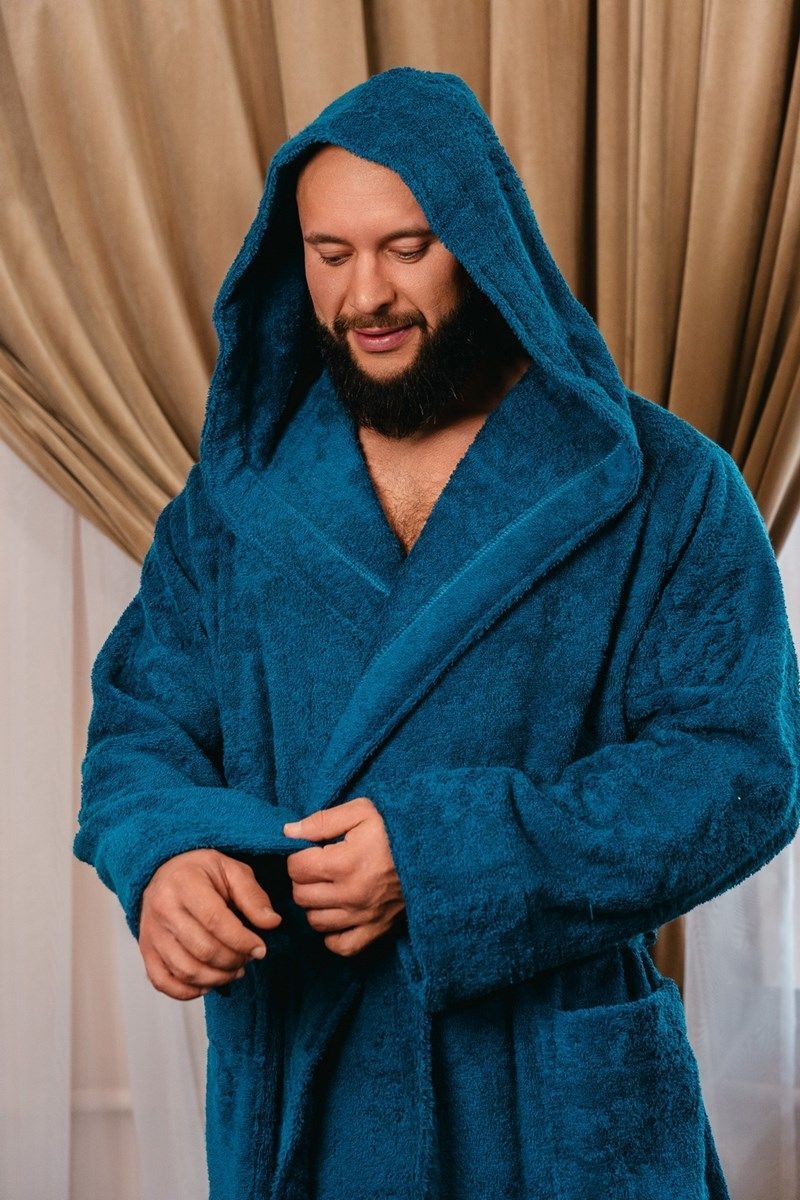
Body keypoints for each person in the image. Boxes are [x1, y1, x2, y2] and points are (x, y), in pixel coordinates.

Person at [73, 67, 800, 1200]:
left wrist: (440, 858)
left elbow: (738, 774)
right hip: (310, 1091)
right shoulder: (234, 506)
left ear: (482, 244)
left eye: (406, 248)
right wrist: (162, 856)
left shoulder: (664, 487)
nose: (365, 293)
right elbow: (140, 733)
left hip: (549, 1098)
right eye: (330, 254)